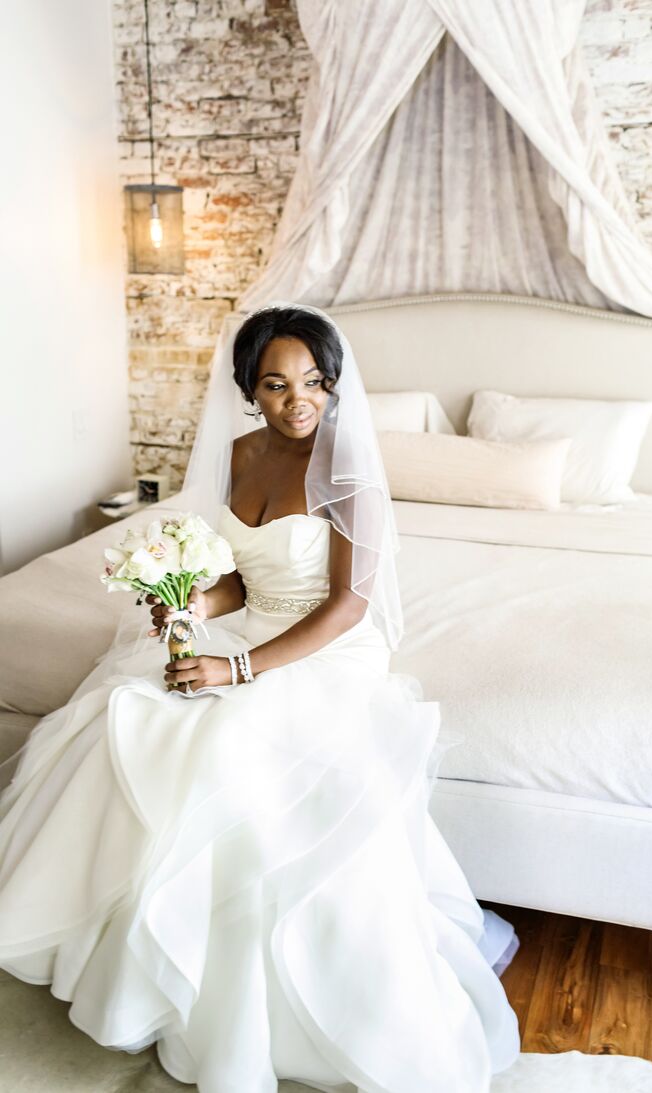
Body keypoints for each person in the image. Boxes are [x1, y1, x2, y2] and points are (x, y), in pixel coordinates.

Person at [0, 303, 527, 1092]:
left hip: (330, 649)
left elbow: (348, 605)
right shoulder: (240, 453)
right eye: (275, 384)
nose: (297, 400)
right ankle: (121, 955)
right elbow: (242, 577)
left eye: (313, 381)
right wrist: (190, 604)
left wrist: (238, 671)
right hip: (253, 627)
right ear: (247, 389)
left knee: (221, 741)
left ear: (334, 382)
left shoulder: (349, 469)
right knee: (123, 714)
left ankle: (226, 991)